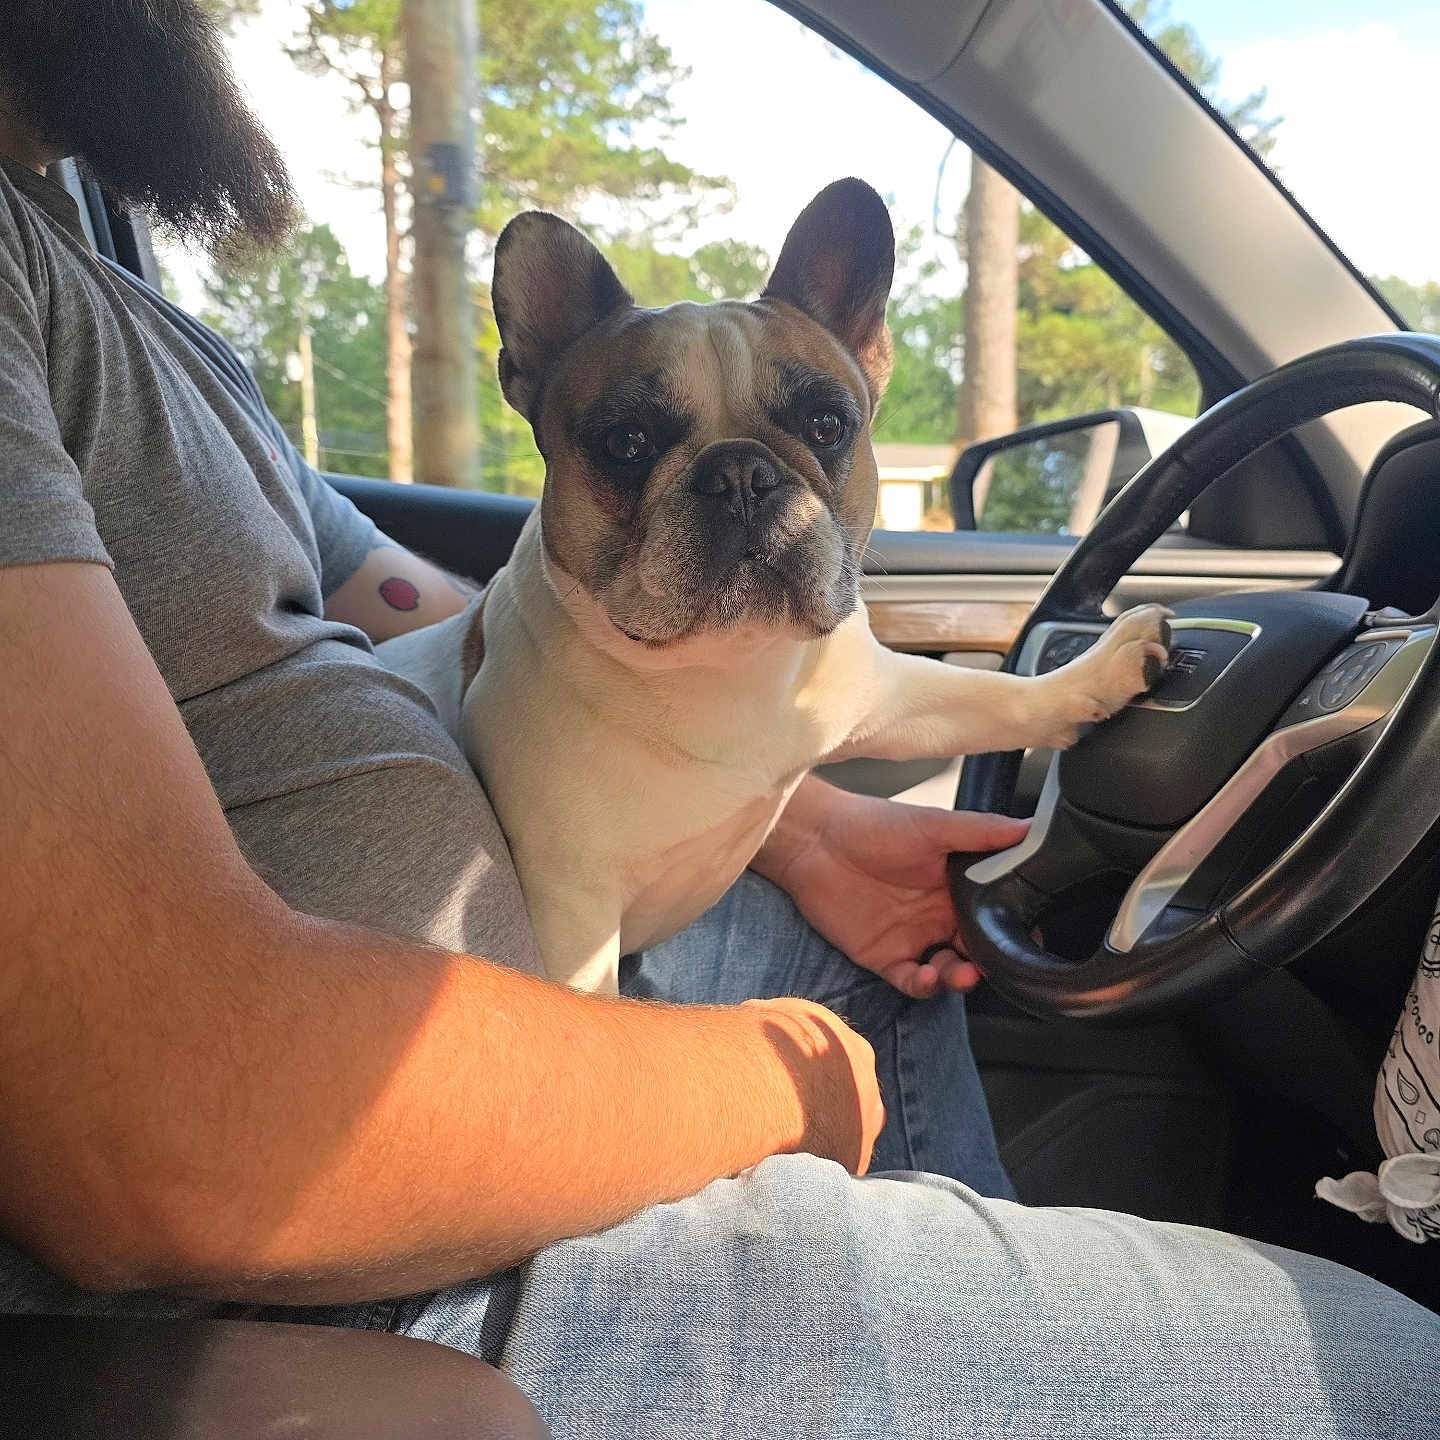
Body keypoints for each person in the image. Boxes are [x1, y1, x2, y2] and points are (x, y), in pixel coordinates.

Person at [0, 4, 1436, 1436]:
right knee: (1389, 1371)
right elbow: (166, 1125)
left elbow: (400, 596)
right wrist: (779, 1085)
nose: (740, 487)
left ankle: (974, 1261)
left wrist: (787, 816)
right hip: (350, 1237)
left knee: (887, 937)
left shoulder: (139, 316)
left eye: (810, 433)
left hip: (474, 981)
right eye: (636, 447)